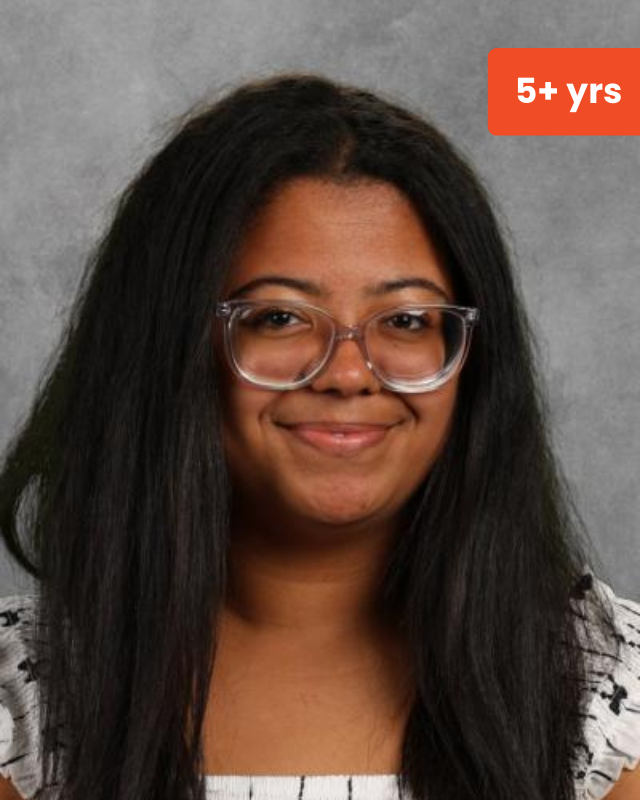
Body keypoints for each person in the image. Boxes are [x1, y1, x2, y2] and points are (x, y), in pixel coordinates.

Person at [0, 72, 638, 800]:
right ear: (167, 347)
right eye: (277, 318)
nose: (348, 374)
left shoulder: (597, 687)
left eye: (407, 321)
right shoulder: (25, 699)